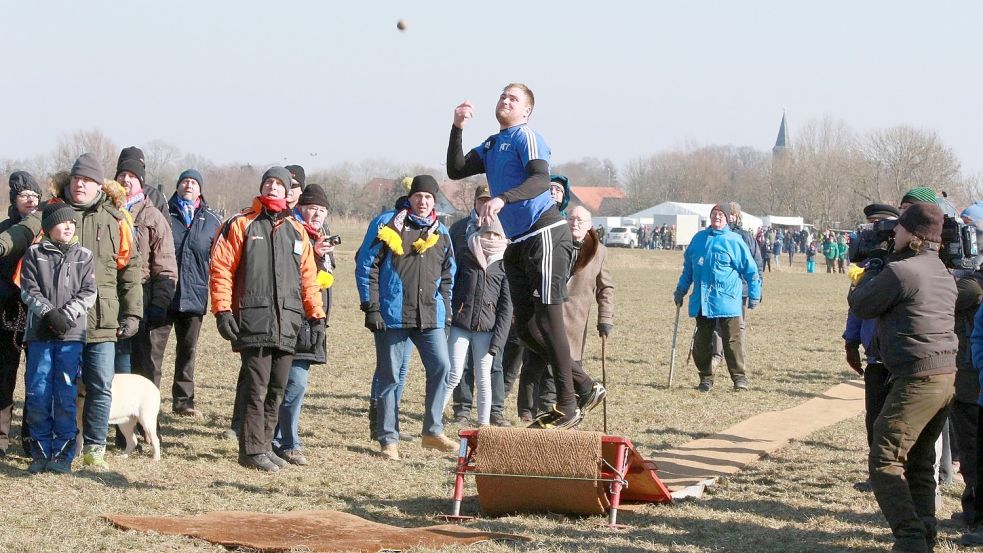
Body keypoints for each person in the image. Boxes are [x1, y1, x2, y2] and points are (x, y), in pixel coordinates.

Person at [447, 83, 584, 429]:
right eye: (502, 96)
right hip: (518, 240)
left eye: (514, 99)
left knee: (549, 320)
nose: (505, 101)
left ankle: (568, 403)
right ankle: (583, 384)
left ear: (526, 111)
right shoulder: (492, 144)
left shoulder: (528, 136)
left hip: (545, 233)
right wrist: (457, 128)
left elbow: (540, 179)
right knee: (525, 330)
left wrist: (502, 198)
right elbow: (456, 168)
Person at [848, 202, 957, 553]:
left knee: (884, 459)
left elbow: (862, 304)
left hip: (916, 377)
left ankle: (910, 538)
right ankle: (925, 530)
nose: (893, 232)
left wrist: (871, 271)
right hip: (944, 377)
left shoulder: (902, 273)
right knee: (921, 460)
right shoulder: (941, 272)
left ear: (913, 236)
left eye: (900, 228)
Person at [210, 166, 325, 472]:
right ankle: (250, 451)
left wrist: (317, 318)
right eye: (269, 182)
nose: (273, 187)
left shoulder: (297, 230)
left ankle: (265, 445)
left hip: (287, 322)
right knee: (256, 387)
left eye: (279, 183)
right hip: (253, 319)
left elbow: (308, 279)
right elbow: (221, 269)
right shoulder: (241, 224)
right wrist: (222, 310)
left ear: (289, 192)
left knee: (277, 388)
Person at [48, 154, 143, 469]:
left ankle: (95, 448)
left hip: (103, 319)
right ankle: (64, 447)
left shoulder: (117, 219)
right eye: (76, 179)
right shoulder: (53, 212)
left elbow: (130, 270)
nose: (79, 184)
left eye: (86, 180)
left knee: (101, 385)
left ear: (98, 184)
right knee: (61, 386)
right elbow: (26, 235)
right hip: (62, 319)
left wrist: (132, 314)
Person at [355, 175, 457, 459]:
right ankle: (389, 439)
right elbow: (367, 266)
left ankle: (432, 431)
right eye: (419, 197)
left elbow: (449, 274)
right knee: (389, 378)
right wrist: (370, 306)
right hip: (392, 316)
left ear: (434, 201)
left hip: (429, 317)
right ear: (410, 198)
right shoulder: (387, 224)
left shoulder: (442, 233)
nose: (423, 202)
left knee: (442, 368)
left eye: (429, 198)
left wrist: (445, 310)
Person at [19, 203, 97, 473]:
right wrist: (49, 314)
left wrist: (65, 315)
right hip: (40, 334)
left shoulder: (84, 255)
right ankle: (39, 451)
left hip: (71, 334)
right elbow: (28, 290)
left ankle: (63, 453)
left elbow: (89, 292)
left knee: (65, 393)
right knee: (38, 391)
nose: (68, 227)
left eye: (72, 223)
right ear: (49, 226)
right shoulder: (33, 254)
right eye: (62, 223)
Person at [520, 206, 611, 415]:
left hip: (573, 323)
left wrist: (605, 318)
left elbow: (606, 288)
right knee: (535, 368)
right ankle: (530, 412)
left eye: (580, 220)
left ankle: (561, 413)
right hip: (545, 318)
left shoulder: (599, 252)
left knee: (563, 374)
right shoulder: (552, 244)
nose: (575, 224)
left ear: (590, 225)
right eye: (571, 219)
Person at [272, 184, 334, 466]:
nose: (317, 214)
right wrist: (314, 252)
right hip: (290, 319)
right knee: (294, 383)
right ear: (301, 208)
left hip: (312, 322)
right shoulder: (291, 231)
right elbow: (288, 272)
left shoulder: (319, 236)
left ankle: (274, 438)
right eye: (313, 208)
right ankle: (288, 442)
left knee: (291, 383)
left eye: (322, 210)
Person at [674, 203, 761, 392]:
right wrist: (681, 289)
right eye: (714, 214)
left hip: (728, 301)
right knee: (702, 344)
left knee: (732, 342)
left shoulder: (735, 241)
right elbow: (688, 270)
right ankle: (706, 378)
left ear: (728, 219)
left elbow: (751, 269)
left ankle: (739, 378)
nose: (717, 217)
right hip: (703, 301)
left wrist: (754, 294)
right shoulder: (698, 240)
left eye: (721, 215)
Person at [447, 184, 513, 427]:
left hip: (489, 318)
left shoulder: (506, 230)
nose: (485, 205)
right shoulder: (458, 229)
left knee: (492, 367)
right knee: (460, 368)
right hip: (464, 314)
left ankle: (495, 411)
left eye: (490, 200)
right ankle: (461, 409)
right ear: (475, 202)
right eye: (482, 200)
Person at [113, 147, 178, 388]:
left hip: (141, 301)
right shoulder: (106, 212)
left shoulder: (153, 217)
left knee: (140, 371)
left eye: (132, 175)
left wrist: (159, 304)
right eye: (122, 175)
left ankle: (145, 424)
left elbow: (166, 265)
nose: (126, 179)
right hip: (109, 301)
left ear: (141, 180)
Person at [160, 169, 222, 416]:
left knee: (188, 351)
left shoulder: (212, 221)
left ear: (200, 189)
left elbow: (217, 259)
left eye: (194, 182)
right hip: (164, 294)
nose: (189, 185)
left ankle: (183, 401)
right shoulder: (164, 214)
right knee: (155, 353)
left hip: (194, 296)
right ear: (177, 186)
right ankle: (148, 399)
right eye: (185, 181)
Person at [0, 171, 42, 457]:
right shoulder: (4, 230)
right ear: (14, 200)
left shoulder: (46, 230)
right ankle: (1, 438)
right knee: (4, 378)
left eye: (34, 196)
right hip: (6, 313)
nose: (30, 200)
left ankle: (31, 438)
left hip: (36, 313)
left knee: (35, 378)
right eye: (24, 195)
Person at [711, 202, 763, 370]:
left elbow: (755, 264)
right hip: (719, 288)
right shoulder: (716, 235)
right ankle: (716, 355)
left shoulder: (746, 237)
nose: (730, 217)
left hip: (740, 290)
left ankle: (737, 358)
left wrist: (757, 290)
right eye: (728, 214)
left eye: (733, 214)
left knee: (736, 326)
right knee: (717, 324)